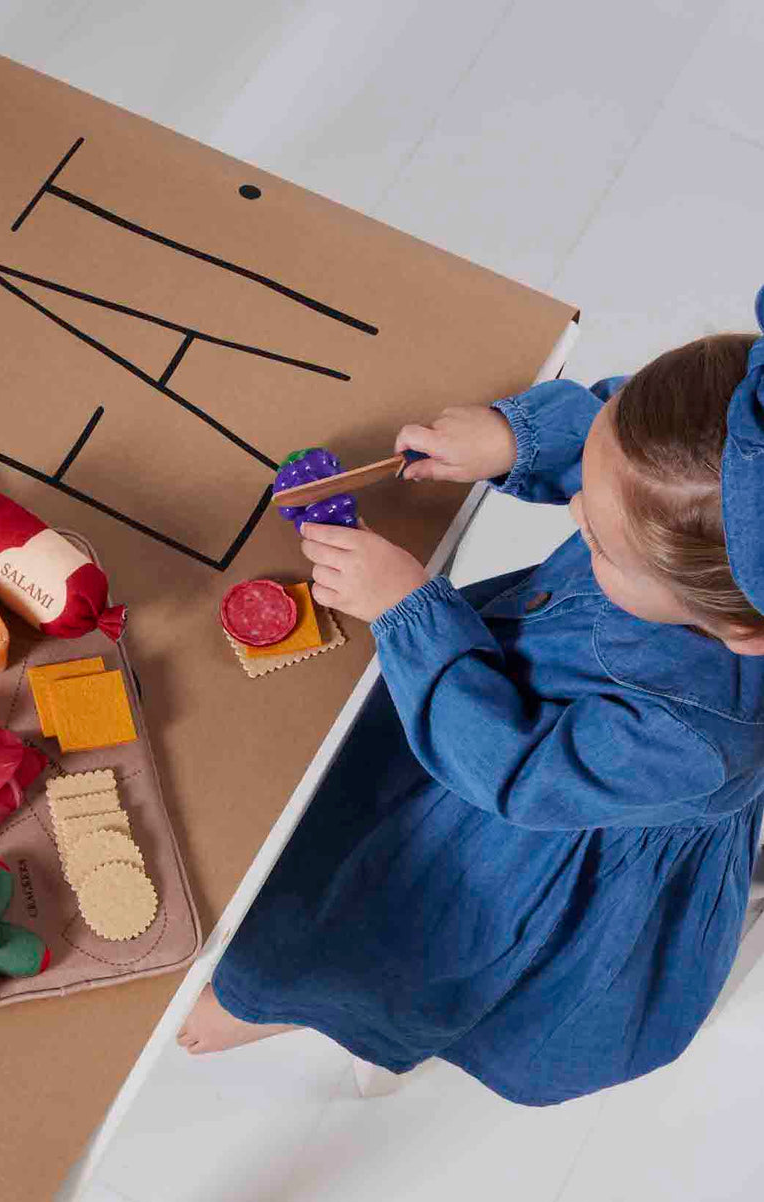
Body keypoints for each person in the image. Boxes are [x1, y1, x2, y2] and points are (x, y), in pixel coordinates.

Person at [177, 287, 764, 1106]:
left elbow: (518, 770)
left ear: (736, 629)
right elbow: (637, 458)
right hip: (484, 709)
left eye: (594, 537)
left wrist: (406, 610)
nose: (573, 514)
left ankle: (303, 1006)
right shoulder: (713, 480)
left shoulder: (697, 734)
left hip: (525, 820)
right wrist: (515, 439)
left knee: (406, 945)